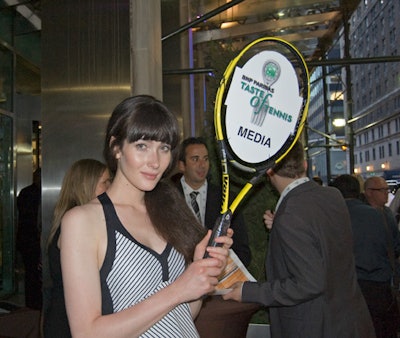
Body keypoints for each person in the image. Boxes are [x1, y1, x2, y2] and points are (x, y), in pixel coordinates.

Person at [60, 95, 232, 337]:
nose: (155, 161)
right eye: (142, 146)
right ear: (116, 147)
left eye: (164, 148)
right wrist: (179, 289)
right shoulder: (83, 221)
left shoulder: (170, 208)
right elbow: (87, 333)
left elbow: (182, 314)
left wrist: (200, 272)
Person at [223, 141, 375, 338]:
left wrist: (249, 292)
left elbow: (308, 283)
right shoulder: (332, 195)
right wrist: (279, 225)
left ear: (269, 171)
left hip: (315, 326)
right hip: (349, 320)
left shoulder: (291, 214)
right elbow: (321, 240)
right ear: (304, 165)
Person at [43, 159, 111, 337]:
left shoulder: (70, 217)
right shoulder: (76, 223)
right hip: (67, 322)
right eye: (105, 182)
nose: (110, 188)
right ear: (86, 185)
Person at [331, 174, 400, 338]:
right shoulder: (382, 215)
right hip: (380, 287)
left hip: (346, 288)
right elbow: (395, 247)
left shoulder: (332, 216)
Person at [174, 136, 251, 267]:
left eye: (205, 159)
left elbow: (243, 251)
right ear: (182, 165)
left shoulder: (227, 198)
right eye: (195, 159)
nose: (202, 165)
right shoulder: (169, 198)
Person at [16, 167, 42, 310]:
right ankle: (35, 303)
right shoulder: (35, 194)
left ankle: (31, 302)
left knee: (30, 273)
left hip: (26, 239)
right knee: (34, 273)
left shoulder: (25, 192)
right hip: (32, 239)